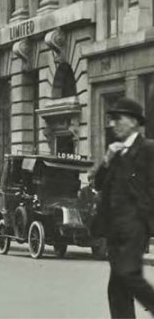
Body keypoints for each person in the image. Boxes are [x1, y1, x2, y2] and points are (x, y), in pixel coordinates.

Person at [92, 97, 154, 318]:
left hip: (135, 228)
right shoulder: (116, 152)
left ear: (134, 122)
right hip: (115, 231)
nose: (112, 124)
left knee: (128, 275)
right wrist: (106, 160)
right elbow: (98, 184)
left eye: (118, 118)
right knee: (117, 289)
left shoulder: (148, 149)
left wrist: (145, 220)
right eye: (111, 119)